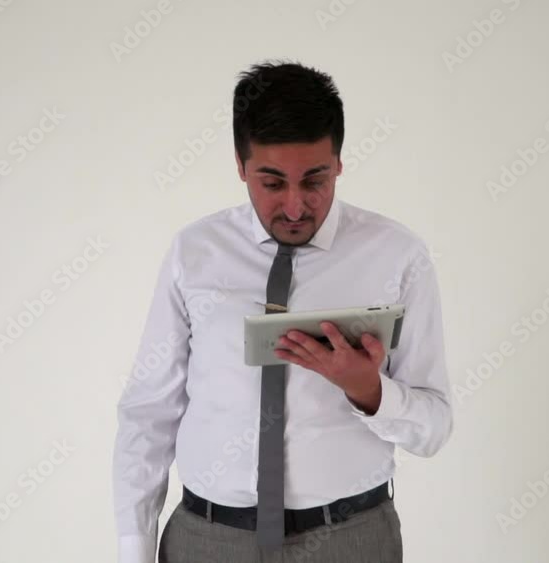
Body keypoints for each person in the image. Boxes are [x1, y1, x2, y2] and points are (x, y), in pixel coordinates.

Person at [112, 59, 454, 563]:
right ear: (240, 165)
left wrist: (370, 391)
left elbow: (434, 428)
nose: (295, 207)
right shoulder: (195, 253)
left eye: (315, 180)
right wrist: (134, 550)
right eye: (272, 183)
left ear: (339, 162)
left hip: (350, 541)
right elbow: (149, 413)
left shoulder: (398, 256)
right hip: (208, 542)